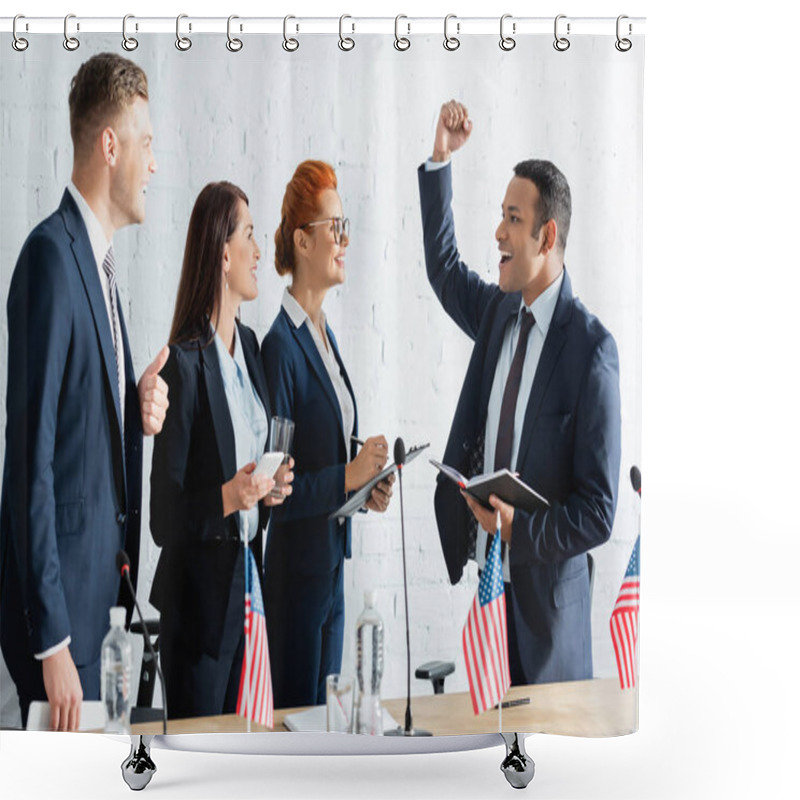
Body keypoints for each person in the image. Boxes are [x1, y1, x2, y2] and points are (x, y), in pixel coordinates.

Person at [419, 100, 621, 685]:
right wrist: (440, 161)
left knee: (547, 770)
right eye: (501, 216)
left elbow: (599, 511)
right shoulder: (498, 313)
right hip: (488, 596)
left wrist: (518, 530)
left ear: (546, 233)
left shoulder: (592, 352)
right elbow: (444, 269)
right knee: (491, 761)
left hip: (551, 622)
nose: (499, 232)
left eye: (513, 217)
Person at [0, 53, 169, 731]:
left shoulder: (99, 268)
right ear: (110, 145)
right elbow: (29, 464)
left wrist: (137, 411)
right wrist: (53, 641)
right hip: (61, 637)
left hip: (102, 618)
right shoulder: (51, 258)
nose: (153, 164)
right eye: (147, 144)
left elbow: (79, 431)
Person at [149, 182, 293, 719]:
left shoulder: (250, 349)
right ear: (223, 253)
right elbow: (164, 518)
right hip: (200, 615)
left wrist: (271, 488)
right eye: (250, 237)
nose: (260, 252)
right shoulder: (181, 364)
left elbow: (251, 469)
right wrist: (232, 496)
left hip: (250, 590)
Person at [262, 160, 394, 708]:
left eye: (346, 227)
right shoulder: (279, 348)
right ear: (302, 240)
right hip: (294, 583)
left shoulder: (325, 335)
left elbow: (334, 462)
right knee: (296, 732)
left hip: (331, 575)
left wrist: (367, 486)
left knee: (326, 727)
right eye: (333, 227)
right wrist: (348, 473)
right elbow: (277, 496)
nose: (343, 240)